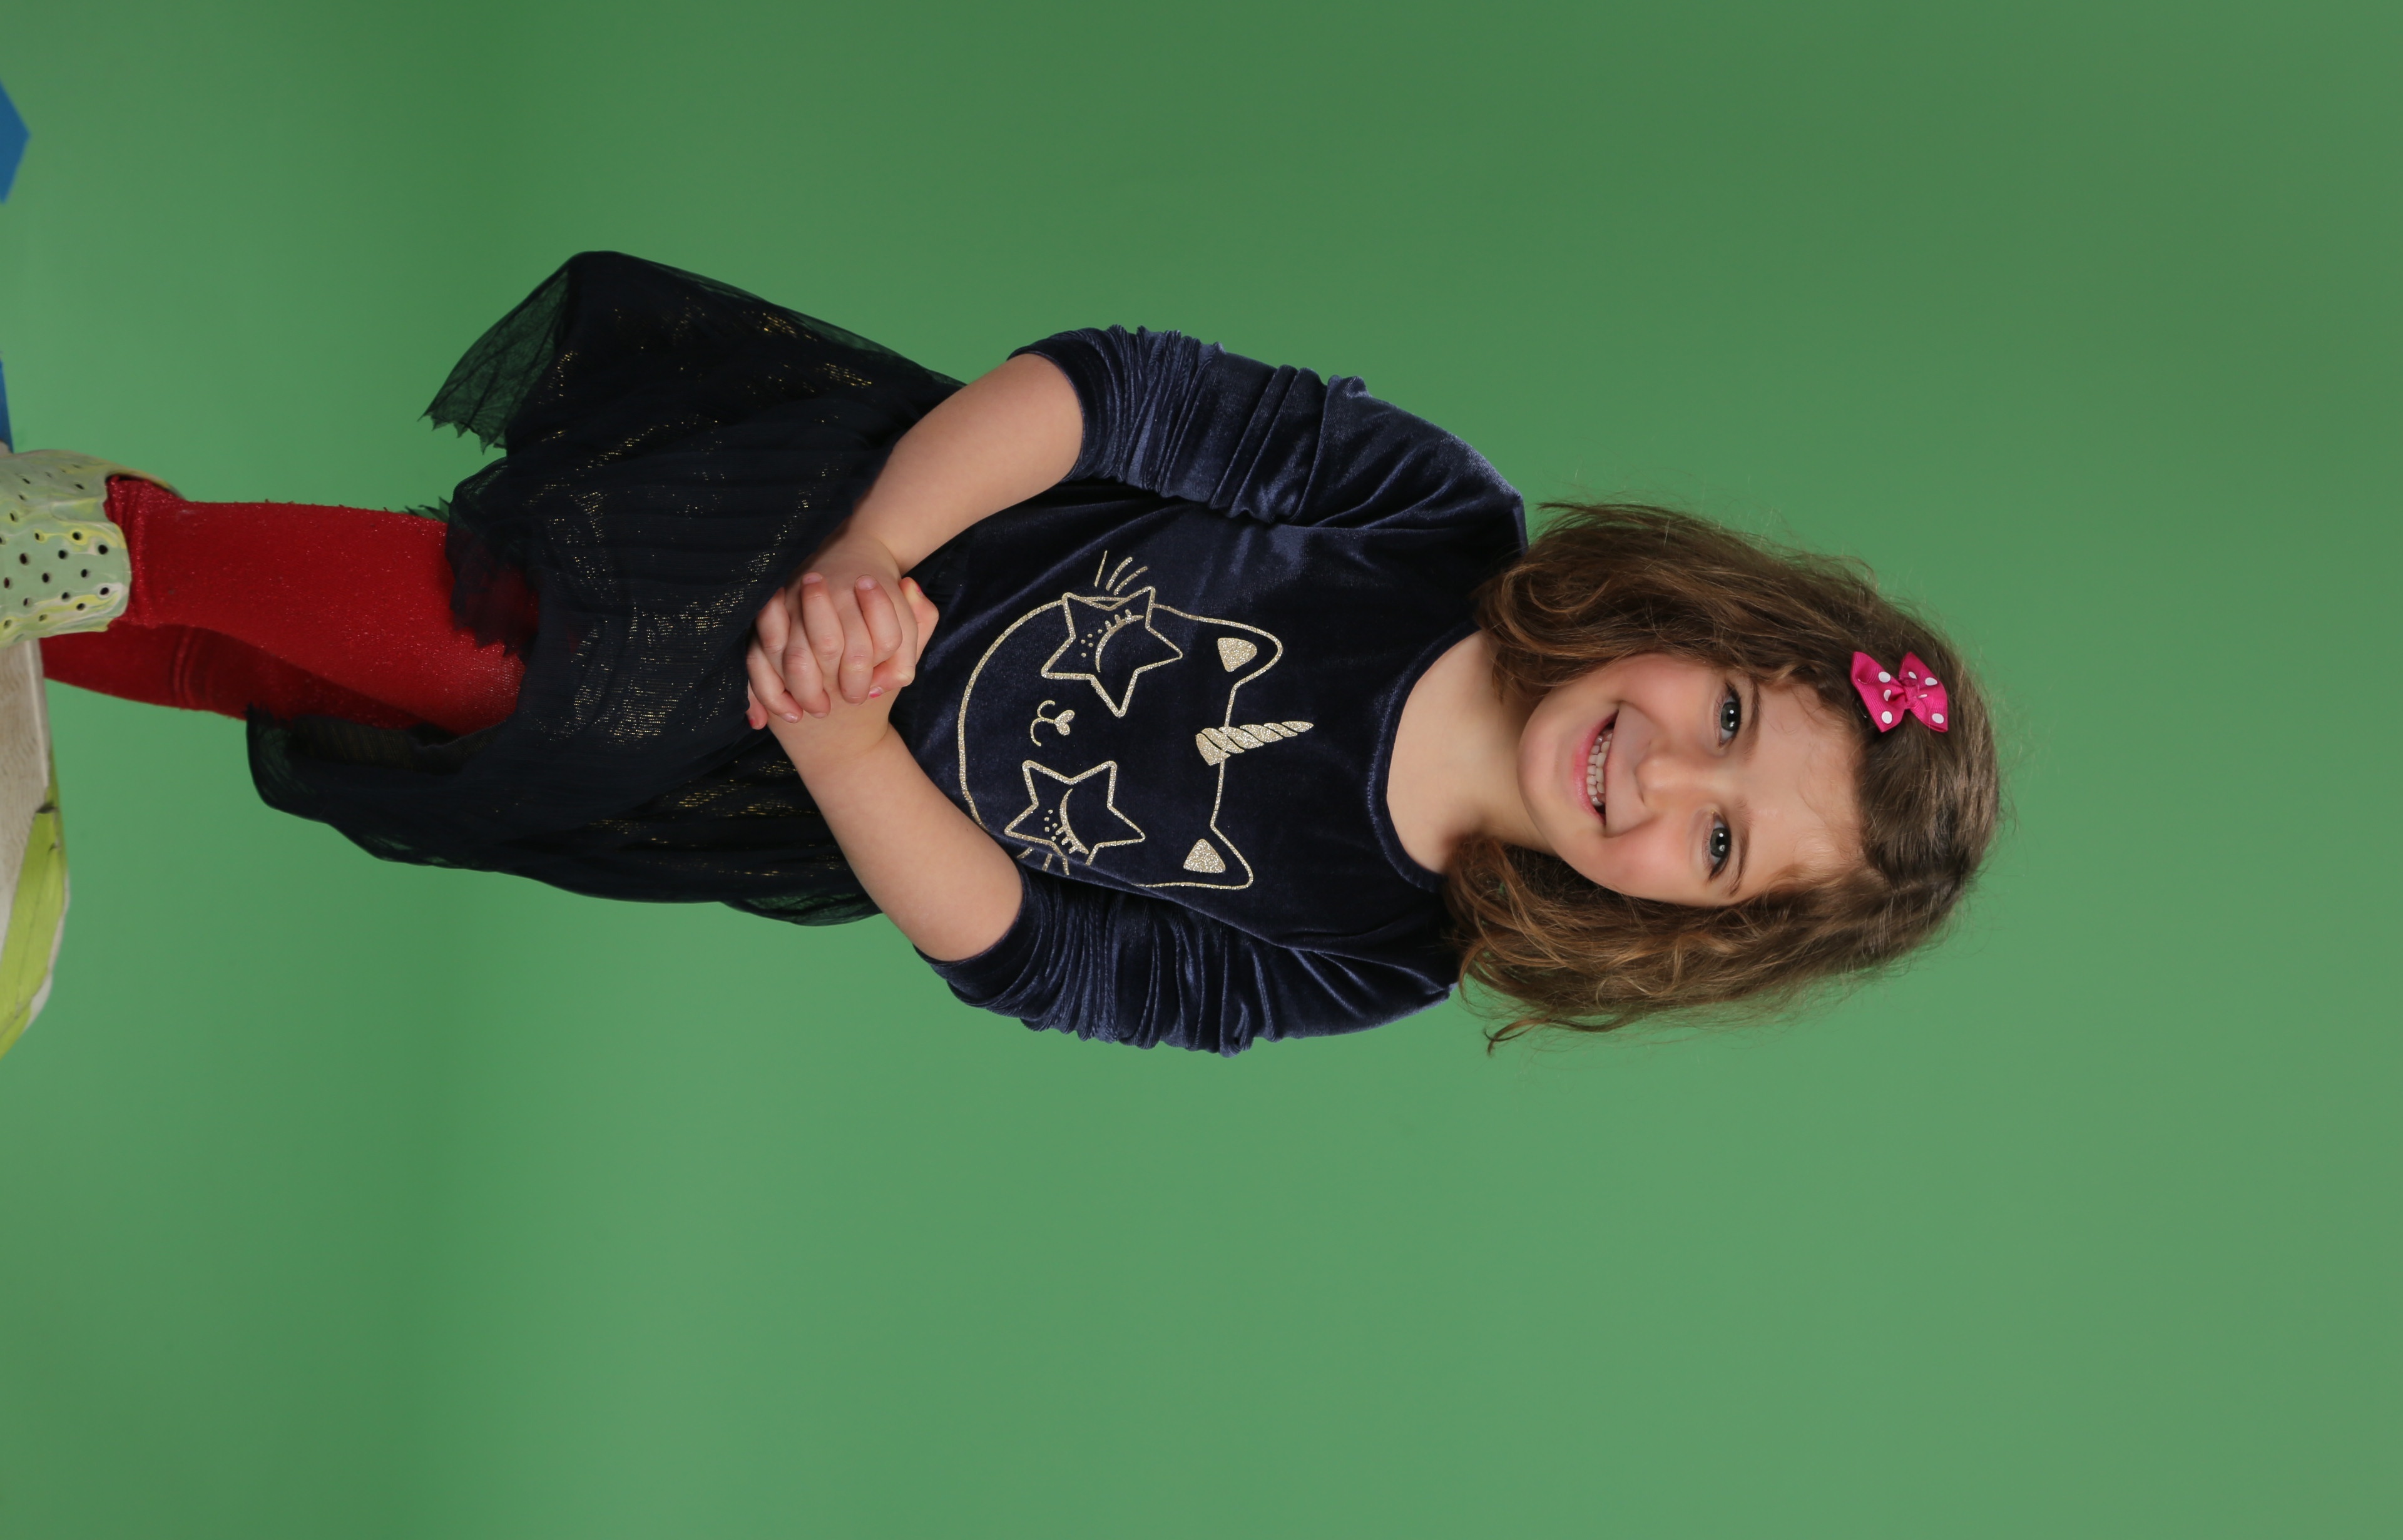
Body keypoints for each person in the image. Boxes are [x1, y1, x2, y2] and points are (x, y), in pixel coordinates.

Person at [17, 253, 1999, 1054]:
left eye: (1721, 840)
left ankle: (89, 570)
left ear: (1689, 925)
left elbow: (1049, 958)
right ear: (1696, 619)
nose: (1666, 778)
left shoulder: (1381, 950)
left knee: (376, 704)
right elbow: (1122, 392)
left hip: (802, 767)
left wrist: (848, 750)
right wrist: (873, 558)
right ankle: (106, 549)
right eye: (1726, 714)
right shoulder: (1433, 524)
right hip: (823, 524)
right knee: (489, 645)